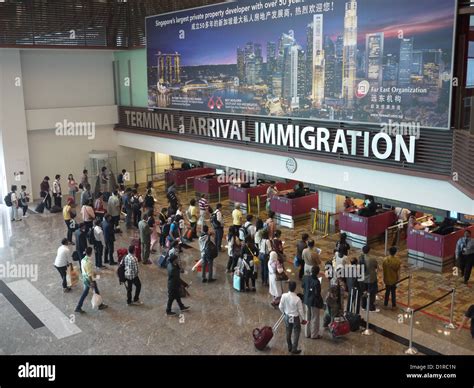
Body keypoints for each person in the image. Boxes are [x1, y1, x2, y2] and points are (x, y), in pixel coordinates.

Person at [74, 247, 108, 313]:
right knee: (90, 292)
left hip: (85, 278)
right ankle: (99, 305)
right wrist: (91, 282)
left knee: (88, 292)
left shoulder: (83, 259)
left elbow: (85, 270)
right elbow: (89, 274)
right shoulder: (89, 262)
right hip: (89, 280)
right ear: (91, 253)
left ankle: (79, 306)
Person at [279, 281, 307, 354]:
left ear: (288, 287)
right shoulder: (297, 299)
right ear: (295, 288)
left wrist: (284, 312)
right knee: (296, 332)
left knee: (288, 331)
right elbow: (301, 311)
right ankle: (294, 348)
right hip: (295, 318)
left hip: (287, 316)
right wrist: (303, 319)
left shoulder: (284, 296)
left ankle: (289, 346)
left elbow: (280, 307)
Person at [166, 251, 190, 316]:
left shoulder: (170, 264)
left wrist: (178, 266)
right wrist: (185, 284)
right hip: (173, 286)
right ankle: (168, 311)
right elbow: (177, 279)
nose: (178, 260)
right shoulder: (173, 269)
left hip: (173, 284)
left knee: (177, 296)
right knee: (171, 299)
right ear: (174, 260)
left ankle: (181, 307)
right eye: (176, 259)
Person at [302, 266, 323, 339]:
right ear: (317, 273)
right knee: (314, 318)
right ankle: (314, 335)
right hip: (314, 302)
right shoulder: (317, 282)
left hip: (306, 300)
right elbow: (317, 293)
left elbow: (303, 286)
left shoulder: (305, 277)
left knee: (307, 316)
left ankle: (307, 333)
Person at [359, 245, 379, 312]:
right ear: (369, 250)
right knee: (371, 293)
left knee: (364, 292)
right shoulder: (372, 259)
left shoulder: (360, 258)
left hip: (363, 278)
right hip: (371, 278)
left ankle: (363, 306)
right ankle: (371, 307)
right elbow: (376, 266)